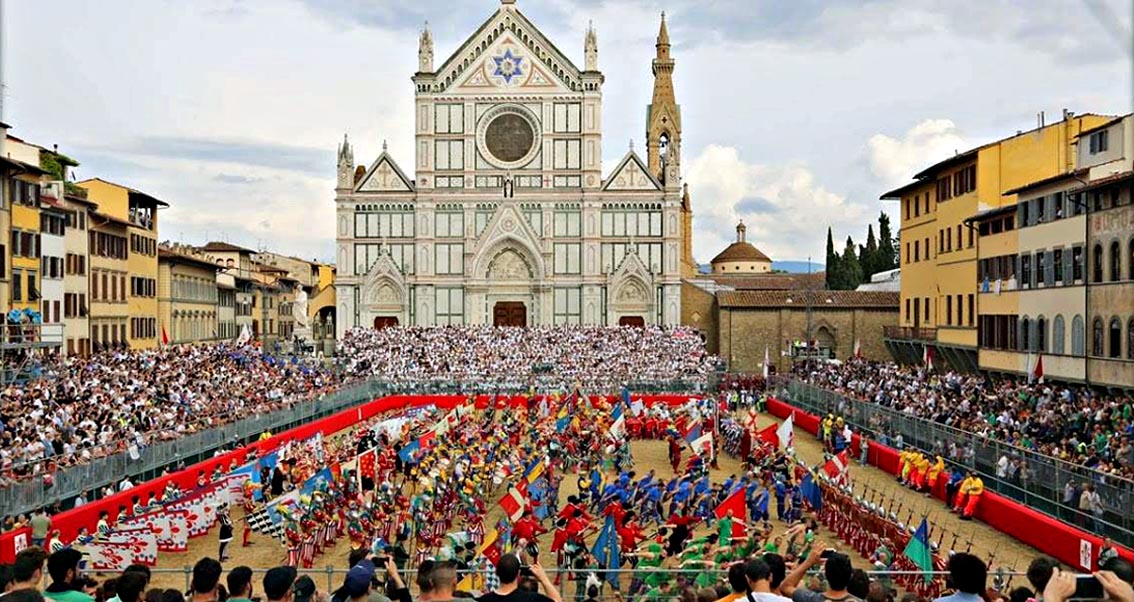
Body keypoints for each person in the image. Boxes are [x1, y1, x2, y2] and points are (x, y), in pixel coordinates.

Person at [780, 541, 859, 602]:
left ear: (826, 574)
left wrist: (809, 562)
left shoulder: (811, 599)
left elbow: (786, 587)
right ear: (850, 576)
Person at [477, 554, 561, 602]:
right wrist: (544, 579)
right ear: (518, 574)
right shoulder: (532, 599)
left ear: (496, 573)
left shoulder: (483, 600)